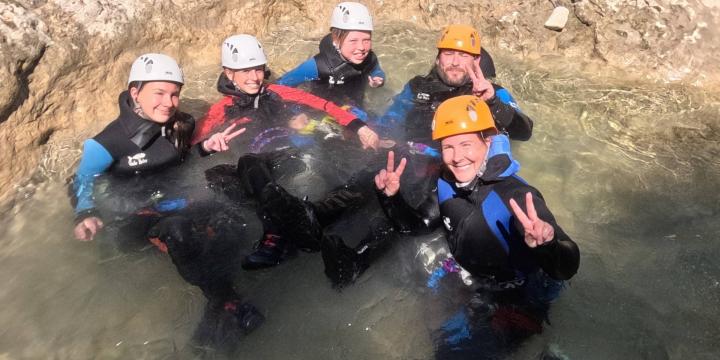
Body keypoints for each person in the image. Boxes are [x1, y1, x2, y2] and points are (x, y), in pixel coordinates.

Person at [69, 53, 264, 353]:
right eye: (158, 93)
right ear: (135, 93)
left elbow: (177, 163)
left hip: (170, 202)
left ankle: (221, 301)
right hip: (132, 219)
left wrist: (206, 148)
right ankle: (227, 301)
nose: (169, 102)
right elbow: (80, 179)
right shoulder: (107, 142)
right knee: (180, 230)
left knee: (231, 215)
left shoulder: (175, 126)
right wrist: (85, 213)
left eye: (174, 94)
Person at [373, 95, 580, 357]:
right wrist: (390, 198)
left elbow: (567, 267)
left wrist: (547, 246)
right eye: (448, 147)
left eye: (466, 144)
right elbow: (419, 225)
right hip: (476, 281)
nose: (457, 157)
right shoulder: (448, 180)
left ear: (488, 141)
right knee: (438, 336)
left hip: (522, 295)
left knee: (454, 354)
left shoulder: (515, 195)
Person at [192, 33, 379, 155]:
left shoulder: (276, 92)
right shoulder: (222, 109)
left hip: (288, 147)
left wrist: (359, 127)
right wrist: (207, 146)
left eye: (258, 69)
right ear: (229, 74)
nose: (254, 78)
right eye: (245, 71)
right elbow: (192, 144)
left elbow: (324, 105)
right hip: (251, 159)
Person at [376, 24, 532, 145]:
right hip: (412, 161)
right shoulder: (417, 86)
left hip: (459, 169)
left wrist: (492, 103)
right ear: (438, 59)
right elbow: (392, 117)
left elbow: (524, 133)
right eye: (448, 54)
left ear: (476, 61)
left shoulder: (492, 93)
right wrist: (379, 136)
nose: (455, 62)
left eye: (463, 55)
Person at [276, 2, 385, 110]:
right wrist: (295, 113)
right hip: (323, 110)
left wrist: (378, 78)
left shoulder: (369, 58)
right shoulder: (319, 66)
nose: (361, 47)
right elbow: (279, 87)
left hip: (354, 106)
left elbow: (375, 70)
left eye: (366, 40)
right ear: (336, 40)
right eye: (353, 41)